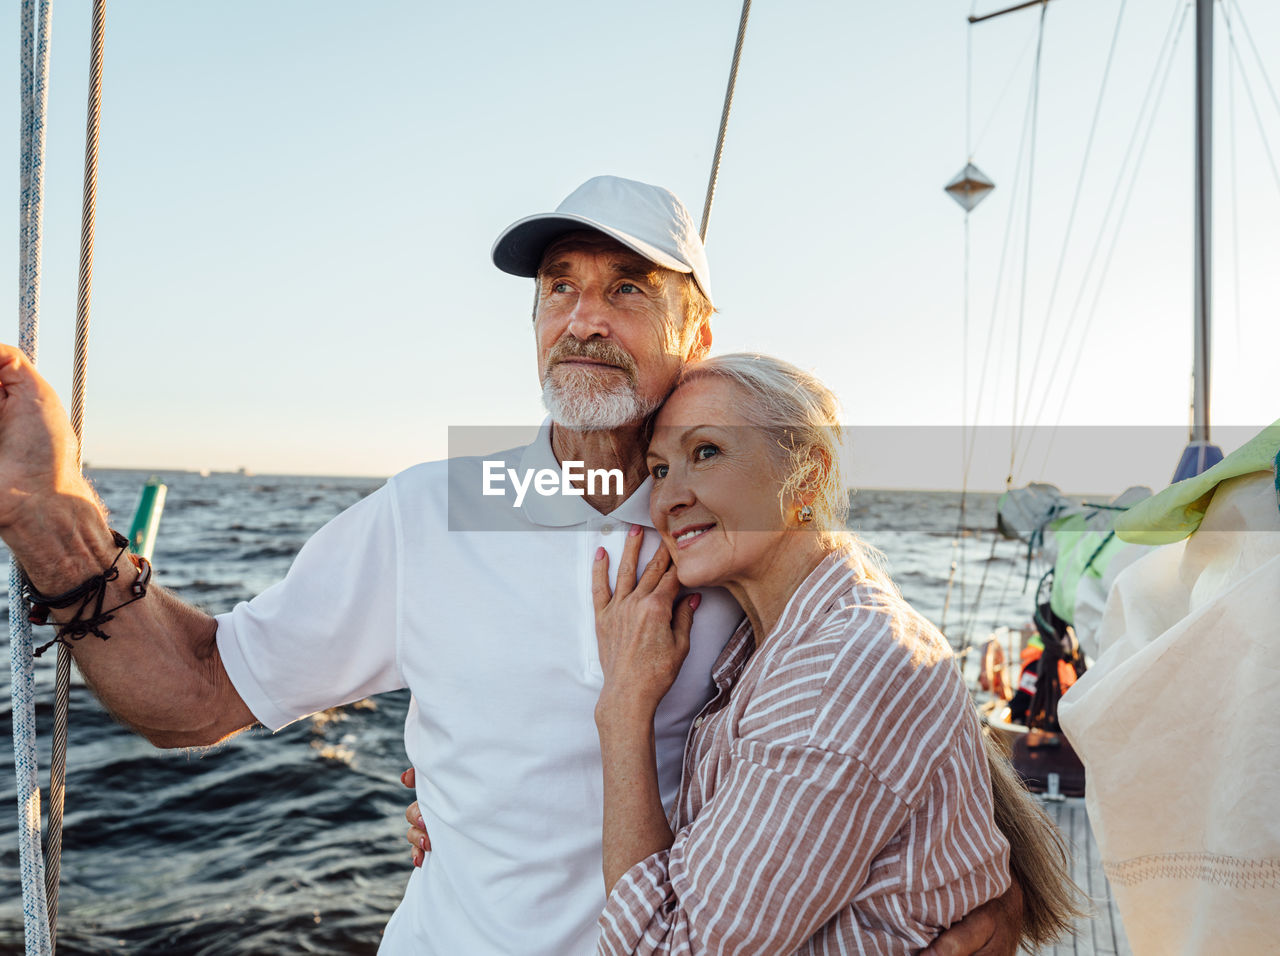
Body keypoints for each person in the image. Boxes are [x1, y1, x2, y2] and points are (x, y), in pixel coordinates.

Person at [0, 176, 1027, 954]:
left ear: (696, 333)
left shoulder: (744, 536)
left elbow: (905, 723)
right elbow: (199, 691)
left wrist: (993, 903)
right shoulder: (437, 510)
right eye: (558, 287)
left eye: (626, 289)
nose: (583, 317)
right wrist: (52, 514)